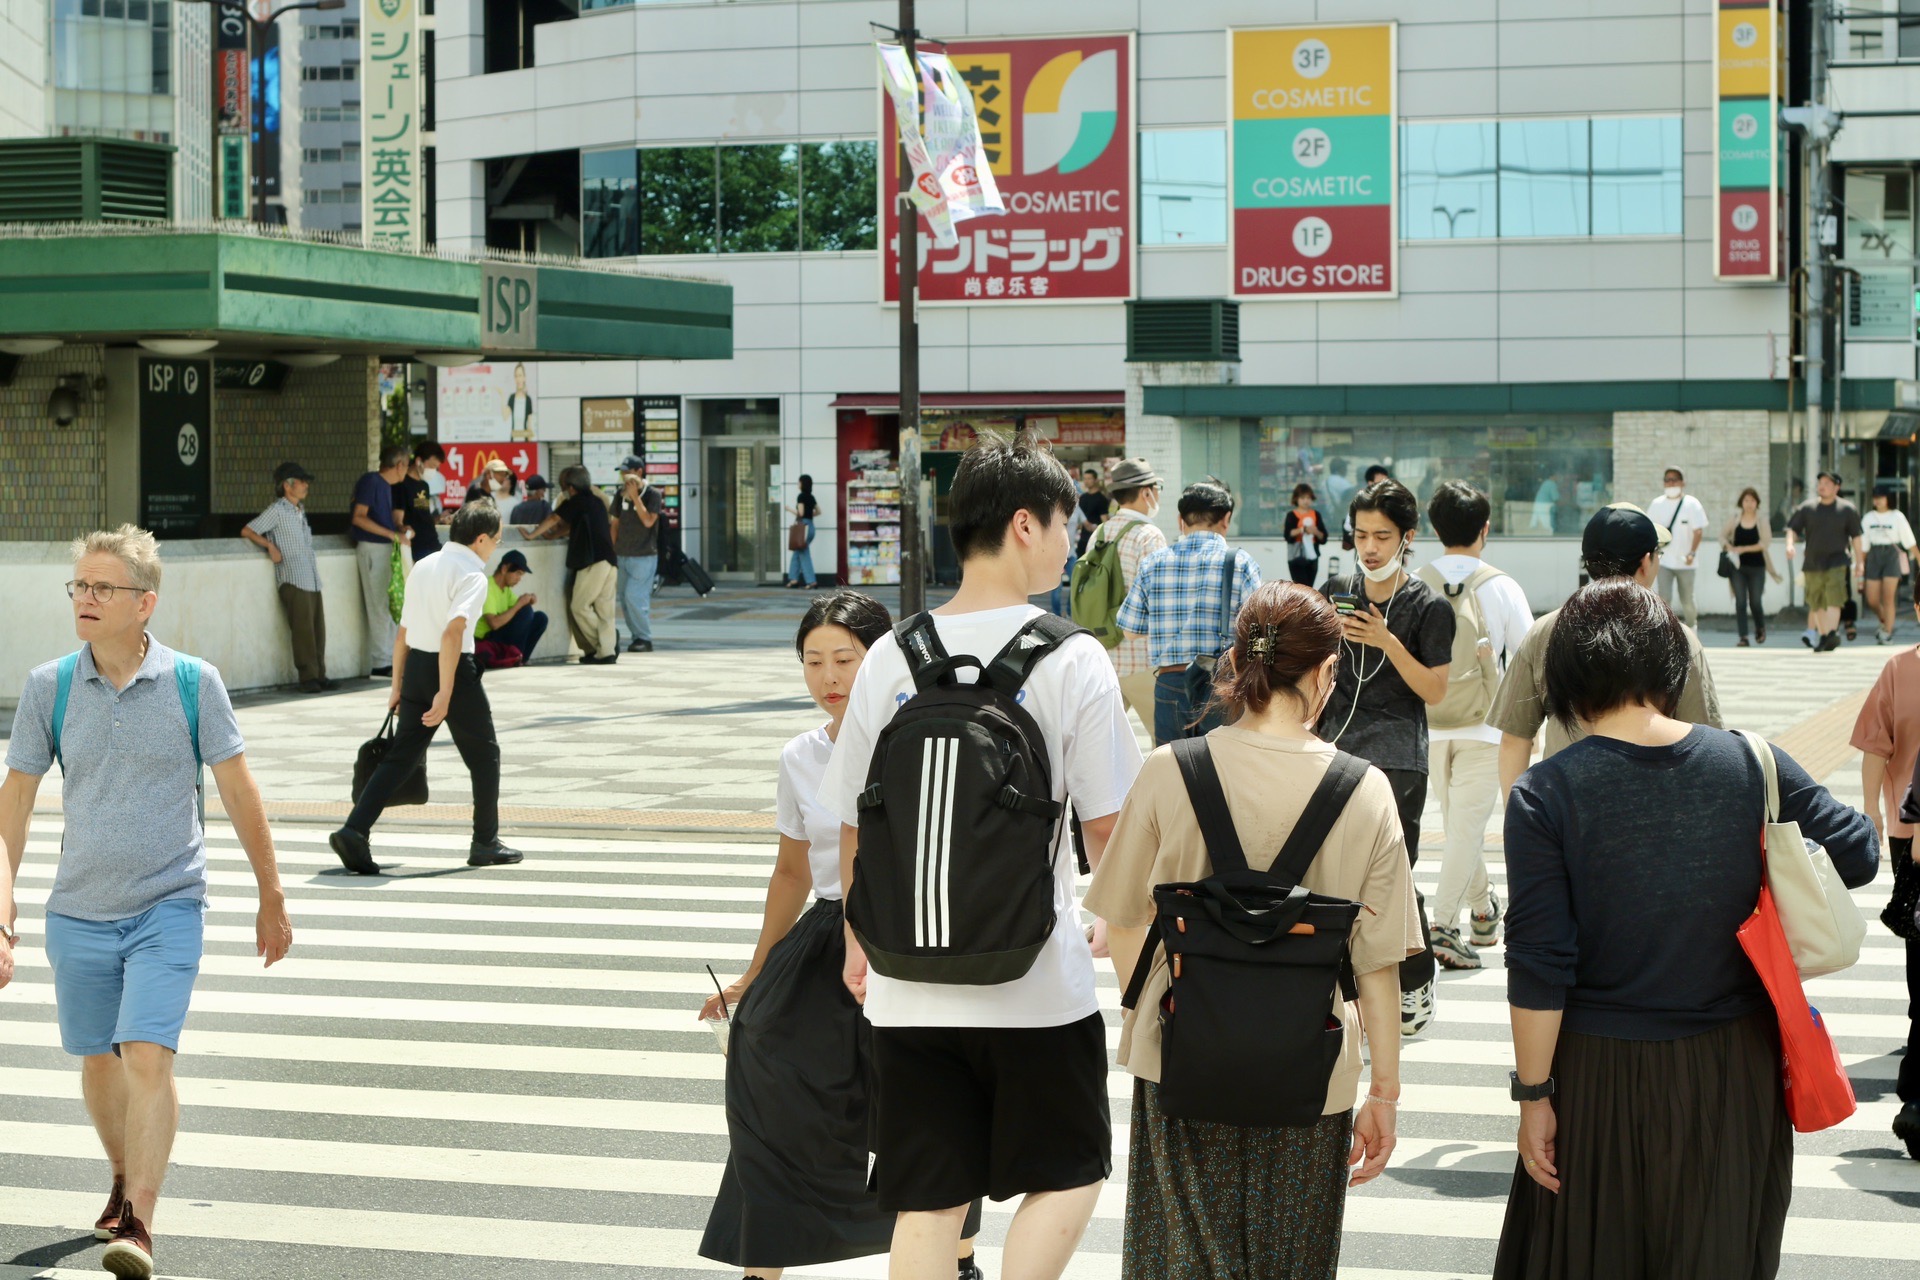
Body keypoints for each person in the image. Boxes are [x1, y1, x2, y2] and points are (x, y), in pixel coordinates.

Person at [820, 430, 1143, 1280]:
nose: (1071, 545)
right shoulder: (1072, 657)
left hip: (905, 979)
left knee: (926, 1202)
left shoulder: (894, 653)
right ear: (1028, 526)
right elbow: (1110, 826)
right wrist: (1130, 940)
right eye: (1069, 526)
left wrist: (860, 936)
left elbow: (859, 816)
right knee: (1071, 1172)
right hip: (1034, 981)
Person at [1494, 579, 1878, 1280]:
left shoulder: (1545, 793)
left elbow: (1539, 965)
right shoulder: (1748, 762)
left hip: (1595, 1078)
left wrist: (1533, 1096)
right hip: (1733, 1073)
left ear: (1567, 680)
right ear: (1673, 669)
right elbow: (1857, 853)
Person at [1087, 581, 1420, 1280]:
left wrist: (1167, 1008)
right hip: (1313, 1068)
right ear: (1328, 672)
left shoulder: (1169, 769)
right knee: (1288, 1262)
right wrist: (1383, 1093)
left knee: (1179, 1255)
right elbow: (1379, 965)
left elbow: (1122, 920)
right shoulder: (1365, 789)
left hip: (1180, 1058)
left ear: (1238, 662)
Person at [0, 525, 293, 1280]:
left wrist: (272, 893)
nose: (86, 600)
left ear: (145, 603)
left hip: (170, 903)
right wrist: (2, 918)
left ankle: (141, 1220)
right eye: (80, 586)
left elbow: (237, 790)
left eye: (104, 588)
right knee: (100, 1065)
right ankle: (122, 1176)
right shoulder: (50, 686)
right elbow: (15, 807)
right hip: (79, 910)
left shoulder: (196, 684)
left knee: (147, 1055)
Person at [698, 591, 985, 1278]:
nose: (828, 677)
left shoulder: (924, 739)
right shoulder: (800, 754)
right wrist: (754, 971)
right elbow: (792, 873)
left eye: (845, 660)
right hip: (825, 939)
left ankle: (961, 1257)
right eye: (812, 661)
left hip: (909, 937)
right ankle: (761, 1267)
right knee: (767, 1087)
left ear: (881, 661)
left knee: (927, 1105)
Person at [1317, 479, 1453, 1035]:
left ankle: (1416, 979)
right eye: (1360, 535)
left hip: (1398, 757)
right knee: (1332, 877)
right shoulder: (1334, 589)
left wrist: (1387, 641)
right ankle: (1344, 994)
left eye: (1382, 536)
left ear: (1407, 538)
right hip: (1333, 750)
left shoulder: (1429, 607)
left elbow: (1436, 690)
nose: (1369, 547)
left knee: (1392, 879)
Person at [332, 502, 524, 875]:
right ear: (481, 539)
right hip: (451, 669)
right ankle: (485, 841)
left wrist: (397, 685)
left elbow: (404, 630)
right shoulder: (472, 575)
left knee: (401, 755)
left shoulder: (425, 564)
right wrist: (446, 691)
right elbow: (454, 632)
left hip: (417, 665)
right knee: (485, 757)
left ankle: (354, 830)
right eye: (496, 541)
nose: (495, 547)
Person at [1489, 504, 1725, 796]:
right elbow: (1706, 742)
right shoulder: (1679, 637)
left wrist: (1520, 825)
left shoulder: (1546, 631)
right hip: (1655, 812)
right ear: (1646, 561)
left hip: (1564, 810)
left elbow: (1515, 738)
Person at [1419, 482, 1533, 972]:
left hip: (1428, 723)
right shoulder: (1501, 585)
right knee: (1465, 830)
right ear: (1484, 529)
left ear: (1434, 528)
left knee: (1458, 828)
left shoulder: (1414, 582)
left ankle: (1483, 910)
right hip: (1486, 727)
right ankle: (1443, 926)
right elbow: (1529, 656)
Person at [1851, 593, 1920, 1163]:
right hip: (1910, 832)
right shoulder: (1899, 670)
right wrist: (1870, 808)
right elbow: (1877, 744)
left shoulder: (1901, 669)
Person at [1115, 479, 1262, 746]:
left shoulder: (1154, 563)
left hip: (1169, 683)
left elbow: (1130, 630)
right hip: (1222, 683)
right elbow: (1259, 633)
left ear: (1181, 520)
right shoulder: (1239, 562)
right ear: (1226, 519)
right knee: (1222, 771)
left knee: (1174, 773)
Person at [241, 461, 335, 694]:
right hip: (292, 578)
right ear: (287, 485)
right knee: (303, 629)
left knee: (317, 628)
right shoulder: (277, 510)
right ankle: (308, 676)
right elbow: (248, 530)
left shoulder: (299, 511)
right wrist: (269, 546)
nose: (305, 485)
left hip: (310, 577)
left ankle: (320, 674)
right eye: (301, 481)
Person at [1092, 458, 1169, 734]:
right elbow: (1158, 601)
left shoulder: (1100, 534)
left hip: (1104, 656)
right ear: (1146, 492)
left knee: (1106, 745)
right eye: (1157, 487)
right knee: (1165, 744)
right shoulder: (1149, 535)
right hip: (1142, 660)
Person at [524, 466, 619, 664]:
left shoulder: (575, 501)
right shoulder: (596, 502)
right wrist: (552, 535)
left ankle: (606, 645)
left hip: (593, 562)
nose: (563, 490)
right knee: (604, 610)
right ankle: (603, 651)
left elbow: (554, 518)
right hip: (610, 560)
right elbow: (570, 525)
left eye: (563, 486)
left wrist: (532, 535)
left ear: (571, 487)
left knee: (579, 606)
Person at [349, 445, 414, 678]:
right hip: (373, 549)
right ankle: (380, 663)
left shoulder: (385, 486)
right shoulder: (371, 481)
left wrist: (399, 529)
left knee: (390, 605)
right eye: (407, 465)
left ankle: (390, 660)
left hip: (386, 549)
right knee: (379, 605)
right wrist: (391, 535)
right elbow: (359, 517)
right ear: (399, 465)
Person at [1786, 471, 1864, 652]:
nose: (1822, 486)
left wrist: (1860, 562)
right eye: (1820, 482)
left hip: (1838, 561)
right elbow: (1793, 529)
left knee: (1834, 598)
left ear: (1837, 487)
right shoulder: (1807, 508)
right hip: (1812, 562)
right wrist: (1790, 545)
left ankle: (1831, 632)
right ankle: (1824, 636)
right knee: (1817, 601)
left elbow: (1856, 537)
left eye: (1828, 483)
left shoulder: (1847, 509)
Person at [611, 456, 665, 652]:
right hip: (622, 554)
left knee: (635, 597)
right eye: (622, 472)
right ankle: (637, 638)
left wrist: (635, 497)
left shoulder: (653, 495)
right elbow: (615, 524)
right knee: (625, 599)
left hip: (644, 555)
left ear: (639, 472)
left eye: (627, 471)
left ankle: (644, 638)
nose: (624, 475)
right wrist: (611, 550)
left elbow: (649, 521)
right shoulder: (619, 495)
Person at [1644, 467, 1707, 628]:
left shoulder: (1691, 504)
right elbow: (1649, 529)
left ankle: (1692, 629)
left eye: (1674, 479)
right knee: (1664, 598)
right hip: (1663, 560)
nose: (1671, 483)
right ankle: (1666, 631)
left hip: (1686, 561)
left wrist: (1692, 553)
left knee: (1687, 600)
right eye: (1667, 480)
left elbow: (1698, 531)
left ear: (1682, 482)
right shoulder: (1657, 504)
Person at [1719, 486, 1782, 646]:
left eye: (1752, 500)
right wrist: (1728, 546)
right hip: (1737, 567)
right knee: (1740, 601)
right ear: (1741, 502)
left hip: (1757, 566)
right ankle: (1743, 636)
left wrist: (1744, 549)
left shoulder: (1762, 521)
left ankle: (1760, 628)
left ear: (1757, 503)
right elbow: (1722, 536)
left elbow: (1765, 543)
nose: (1749, 504)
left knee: (1755, 601)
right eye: (1746, 500)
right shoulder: (1735, 519)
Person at [1861, 487, 1917, 644]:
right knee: (1871, 598)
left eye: (1881, 497)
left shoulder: (1897, 517)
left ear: (1888, 499)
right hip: (1874, 554)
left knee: (1888, 597)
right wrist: (1859, 563)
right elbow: (1864, 543)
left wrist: (1918, 558)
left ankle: (1887, 632)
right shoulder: (1868, 518)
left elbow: (1909, 540)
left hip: (1892, 555)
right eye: (1875, 497)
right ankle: (1884, 618)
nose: (1878, 500)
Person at [473, 548, 547, 664]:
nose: (519, 579)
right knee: (526, 611)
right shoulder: (488, 587)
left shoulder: (505, 590)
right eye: (518, 573)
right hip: (485, 638)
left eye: (521, 575)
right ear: (504, 569)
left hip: (497, 636)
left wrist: (529, 600)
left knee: (540, 618)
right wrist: (520, 604)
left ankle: (521, 659)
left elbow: (521, 611)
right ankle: (516, 657)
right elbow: (494, 623)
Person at [395, 443, 446, 559]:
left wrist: (439, 518)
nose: (433, 471)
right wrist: (402, 528)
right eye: (432, 467)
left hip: (433, 543)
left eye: (436, 468)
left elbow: (423, 516)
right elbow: (398, 520)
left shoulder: (424, 486)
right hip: (416, 547)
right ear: (419, 461)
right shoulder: (402, 484)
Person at [1284, 482, 1328, 585]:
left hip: (1313, 555)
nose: (1306, 501)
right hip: (1296, 555)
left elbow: (1323, 537)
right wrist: (1302, 529)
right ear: (1296, 499)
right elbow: (1288, 535)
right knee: (1300, 587)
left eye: (1308, 498)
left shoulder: (1316, 514)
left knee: (1310, 587)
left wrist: (1315, 531)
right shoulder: (1291, 515)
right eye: (1302, 498)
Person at [787, 473, 821, 589]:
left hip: (803, 527)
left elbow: (800, 514)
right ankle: (794, 579)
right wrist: (809, 515)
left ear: (802, 483)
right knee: (797, 552)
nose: (798, 483)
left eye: (799, 481)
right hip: (810, 527)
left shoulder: (801, 496)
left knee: (803, 553)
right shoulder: (811, 497)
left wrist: (789, 509)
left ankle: (811, 581)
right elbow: (819, 512)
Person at [1073, 464, 1111, 557]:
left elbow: (1105, 520)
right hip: (1082, 538)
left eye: (1089, 478)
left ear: (1095, 480)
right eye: (1085, 478)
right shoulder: (1083, 498)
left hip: (1096, 538)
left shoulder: (1101, 499)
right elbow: (1079, 519)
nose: (1086, 481)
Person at [503, 362, 535, 439]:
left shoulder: (528, 400)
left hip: (525, 442)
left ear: (524, 377)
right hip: (513, 442)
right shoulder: (512, 398)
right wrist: (502, 396)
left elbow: (530, 425)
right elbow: (505, 417)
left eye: (520, 375)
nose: (518, 379)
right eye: (516, 376)